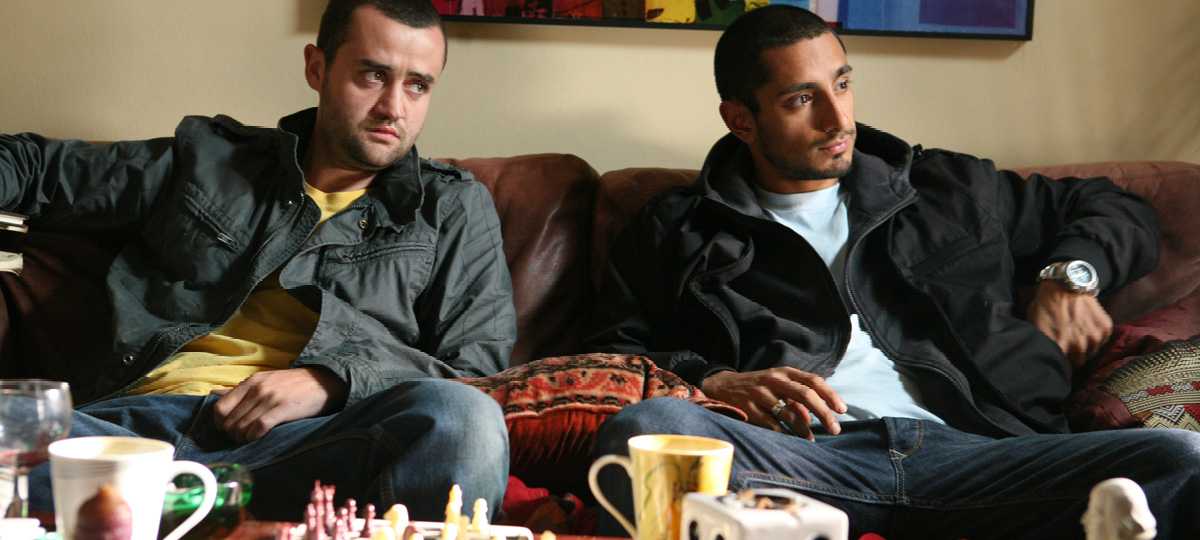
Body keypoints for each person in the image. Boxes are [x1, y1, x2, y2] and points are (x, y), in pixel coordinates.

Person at [586, 5, 1200, 539]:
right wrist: (715, 380)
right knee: (648, 429)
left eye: (842, 84)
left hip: (985, 457)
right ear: (740, 119)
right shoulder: (678, 229)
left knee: (1183, 457)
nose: (837, 119)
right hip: (804, 460)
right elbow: (613, 357)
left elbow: (1116, 208)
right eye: (802, 99)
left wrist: (1071, 275)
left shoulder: (947, 188)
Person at [2, 0, 514, 521]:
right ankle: (186, 516)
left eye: (418, 86)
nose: (394, 108)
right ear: (317, 67)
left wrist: (332, 381)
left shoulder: (450, 207)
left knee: (465, 418)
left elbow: (478, 375)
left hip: (306, 449)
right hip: (132, 437)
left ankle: (156, 517)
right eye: (374, 75)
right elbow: (30, 165)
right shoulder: (209, 161)